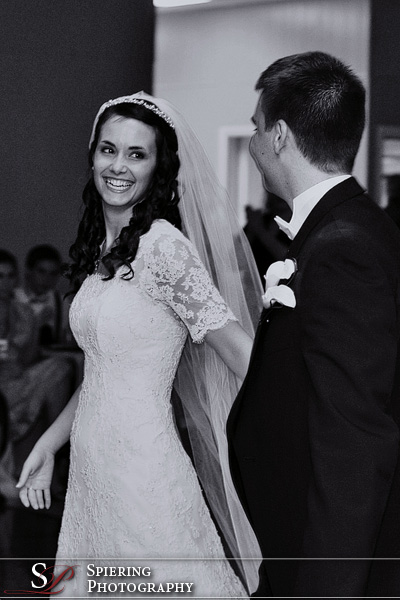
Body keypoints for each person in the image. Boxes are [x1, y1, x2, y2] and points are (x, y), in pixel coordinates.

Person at [17, 92, 263, 596]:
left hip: (141, 471)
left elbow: (241, 352)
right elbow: (103, 375)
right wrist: (48, 444)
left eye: (137, 154)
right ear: (92, 155)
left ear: (158, 167)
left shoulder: (164, 249)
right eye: (109, 150)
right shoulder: (103, 249)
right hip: (92, 471)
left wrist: (306, 416)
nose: (119, 166)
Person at [227, 51, 400, 598]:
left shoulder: (343, 247)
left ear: (279, 135)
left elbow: (353, 444)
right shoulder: (348, 229)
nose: (255, 142)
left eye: (257, 127)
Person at [0, 249, 73, 504]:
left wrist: (31, 327)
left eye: (10, 276)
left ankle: (59, 449)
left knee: (61, 368)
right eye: (0, 276)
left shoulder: (22, 311)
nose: (5, 282)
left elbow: (28, 358)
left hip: (15, 380)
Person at [15, 244, 71, 346]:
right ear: (28, 271)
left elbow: (64, 339)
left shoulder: (61, 301)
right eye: (41, 272)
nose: (47, 279)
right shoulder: (14, 298)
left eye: (53, 273)